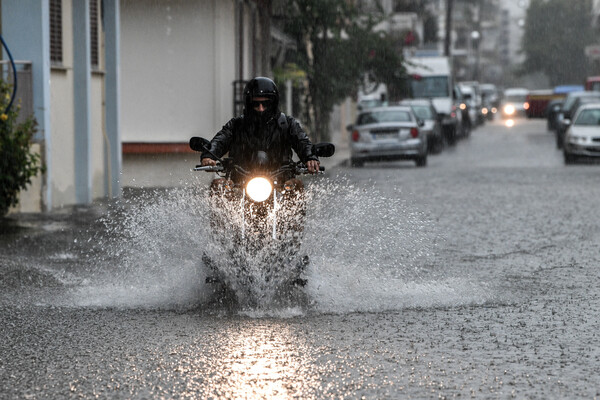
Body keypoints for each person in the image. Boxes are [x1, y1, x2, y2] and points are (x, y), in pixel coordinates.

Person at [200, 77, 320, 184]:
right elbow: (221, 139)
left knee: (296, 186)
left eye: (266, 103)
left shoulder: (287, 124)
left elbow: (302, 141)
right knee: (218, 186)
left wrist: (310, 157)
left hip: (281, 181)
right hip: (239, 182)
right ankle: (222, 210)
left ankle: (293, 210)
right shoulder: (237, 125)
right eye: (256, 104)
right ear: (248, 103)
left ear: (273, 103)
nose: (261, 108)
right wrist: (209, 155)